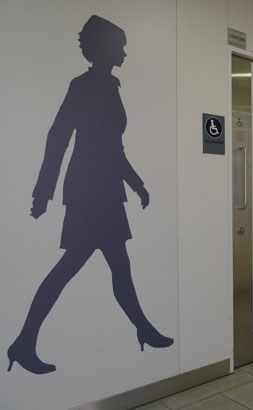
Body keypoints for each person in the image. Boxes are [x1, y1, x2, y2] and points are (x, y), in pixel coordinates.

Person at [7, 15, 173, 375]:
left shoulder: (110, 86)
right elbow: (58, 137)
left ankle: (141, 328)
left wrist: (136, 183)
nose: (125, 53)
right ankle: (24, 342)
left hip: (105, 191)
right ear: (105, 48)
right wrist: (42, 194)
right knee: (73, 267)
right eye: (121, 46)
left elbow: (113, 147)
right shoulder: (83, 86)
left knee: (116, 266)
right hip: (89, 193)